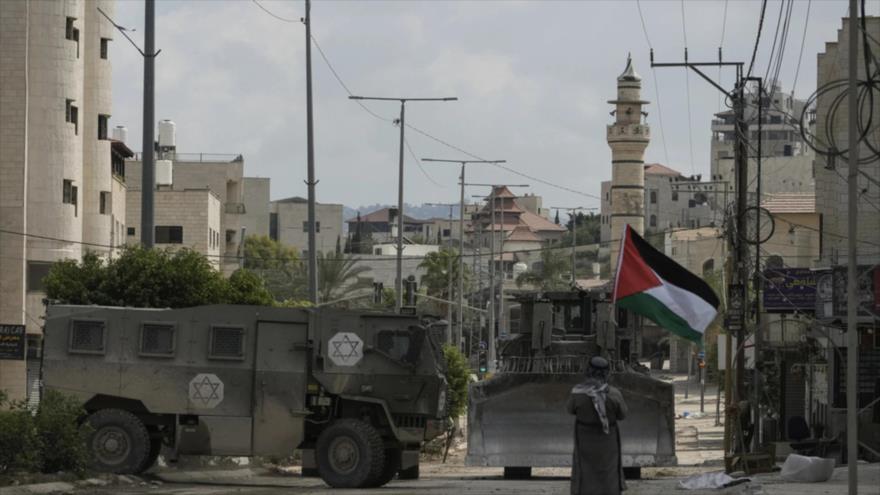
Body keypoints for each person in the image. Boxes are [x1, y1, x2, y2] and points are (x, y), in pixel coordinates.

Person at [566, 356, 629, 495]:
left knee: (585, 470)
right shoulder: (614, 394)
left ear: (588, 371)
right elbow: (623, 415)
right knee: (609, 470)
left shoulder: (577, 393)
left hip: (584, 440)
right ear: (607, 373)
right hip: (608, 440)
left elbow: (570, 410)